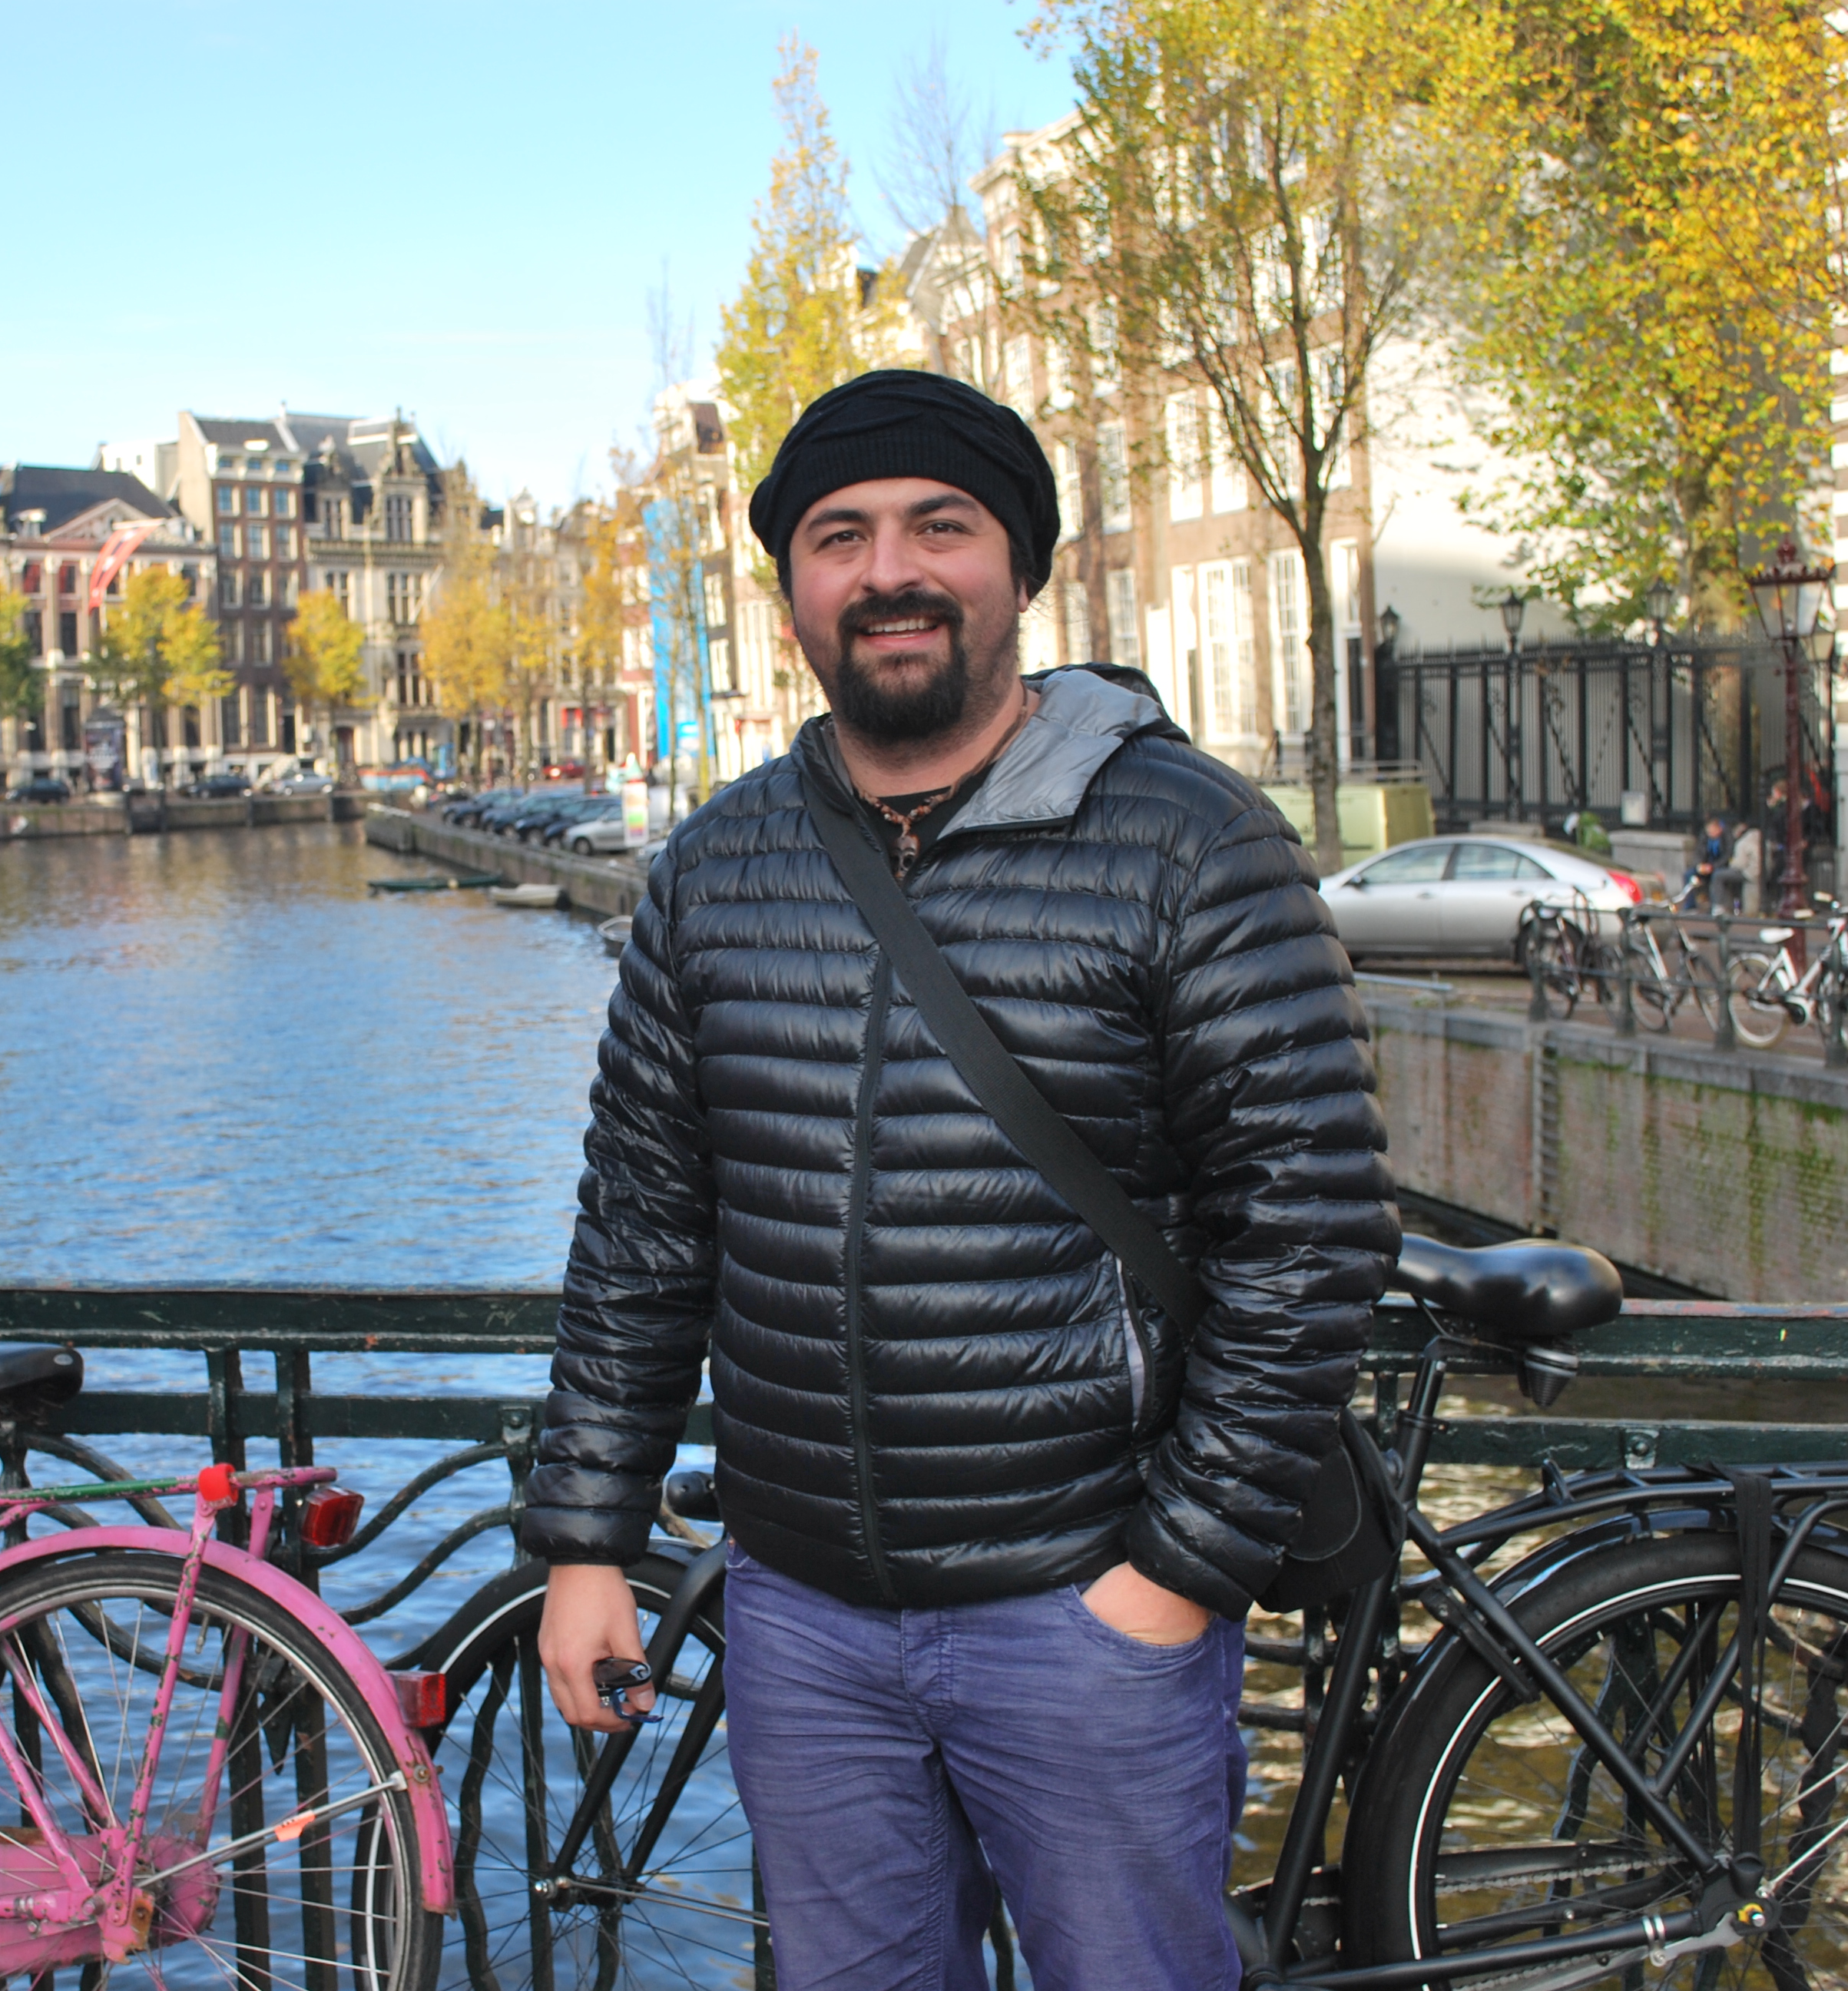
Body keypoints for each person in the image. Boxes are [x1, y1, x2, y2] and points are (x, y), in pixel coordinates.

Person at [525, 369, 1399, 1991]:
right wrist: (588, 1543)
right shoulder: (714, 870)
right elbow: (642, 1232)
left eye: (941, 527)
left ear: (1020, 566)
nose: (890, 573)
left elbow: (1311, 1227)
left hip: (1084, 1604)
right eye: (840, 537)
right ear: (792, 586)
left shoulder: (1189, 842)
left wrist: (1176, 1572)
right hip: (804, 1620)